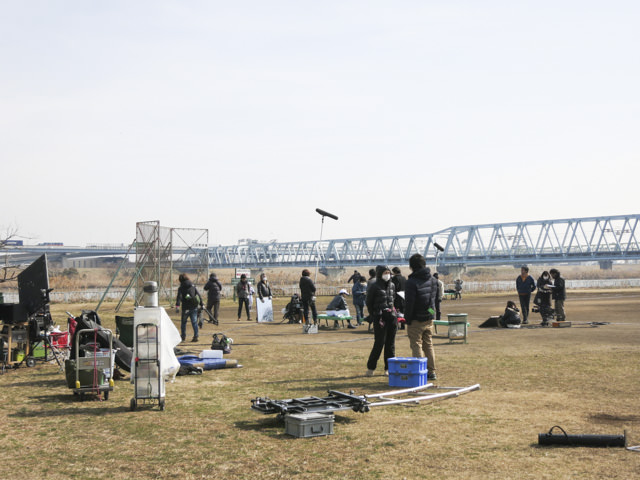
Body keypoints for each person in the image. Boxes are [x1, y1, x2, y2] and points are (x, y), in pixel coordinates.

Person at [403, 254, 438, 381]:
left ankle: (420, 371)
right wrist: (432, 313)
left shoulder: (411, 282)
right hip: (429, 316)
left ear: (411, 266)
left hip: (416, 319)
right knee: (428, 344)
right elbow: (433, 300)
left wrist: (407, 319)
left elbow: (409, 303)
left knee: (416, 344)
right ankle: (431, 371)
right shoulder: (433, 280)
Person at [365, 265, 397, 377]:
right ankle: (371, 367)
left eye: (388, 273)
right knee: (379, 343)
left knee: (390, 344)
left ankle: (389, 368)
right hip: (380, 318)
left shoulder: (392, 285)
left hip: (391, 317)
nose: (387, 275)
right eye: (385, 273)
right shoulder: (374, 286)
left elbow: (393, 299)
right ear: (380, 274)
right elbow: (369, 302)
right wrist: (374, 314)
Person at [175, 273, 203, 342]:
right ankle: (196, 336)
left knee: (183, 323)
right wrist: (202, 304)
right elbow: (198, 295)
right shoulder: (193, 286)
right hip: (194, 307)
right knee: (194, 322)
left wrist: (177, 306)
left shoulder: (181, 288)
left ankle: (183, 337)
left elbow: (179, 297)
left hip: (185, 308)